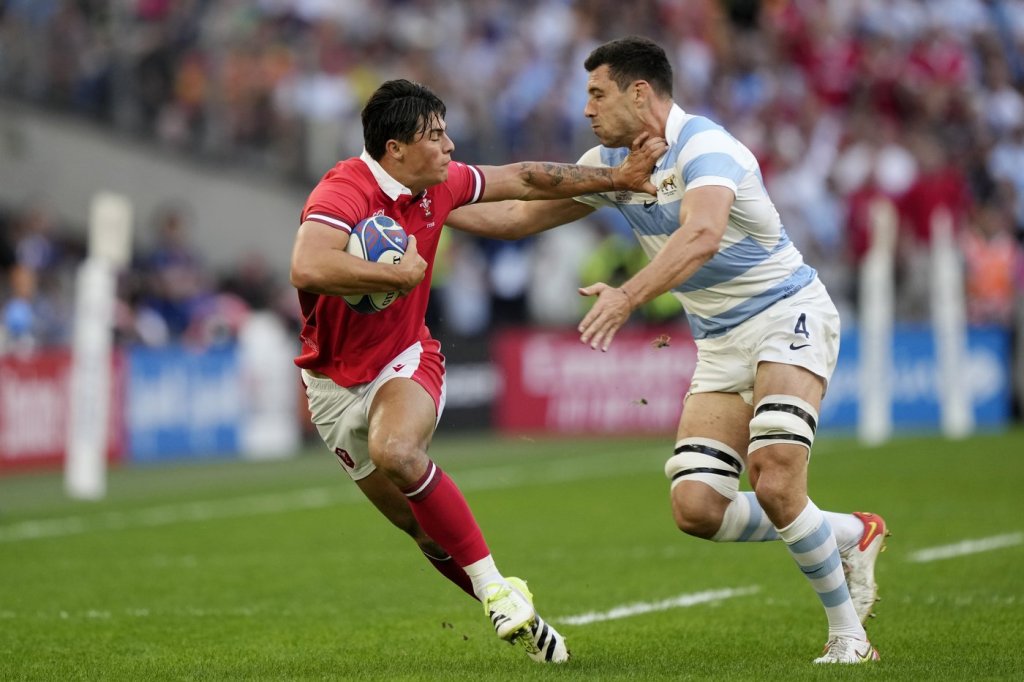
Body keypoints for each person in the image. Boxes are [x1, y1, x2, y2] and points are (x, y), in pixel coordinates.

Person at [447, 36, 887, 664]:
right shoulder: (610, 163)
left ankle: (849, 638)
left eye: (597, 94)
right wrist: (432, 208)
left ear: (639, 93)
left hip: (786, 315)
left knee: (775, 473)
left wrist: (626, 297)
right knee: (697, 506)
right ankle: (849, 532)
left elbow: (702, 234)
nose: (586, 108)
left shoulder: (707, 146)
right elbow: (517, 216)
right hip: (720, 342)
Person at [288, 78, 664, 664]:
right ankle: (523, 616)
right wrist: (397, 276)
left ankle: (495, 592)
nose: (450, 145)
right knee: (419, 529)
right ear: (395, 148)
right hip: (330, 387)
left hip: (404, 357)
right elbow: (308, 266)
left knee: (398, 452)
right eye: (436, 136)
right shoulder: (344, 190)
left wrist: (616, 177)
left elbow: (524, 179)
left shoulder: (440, 183)